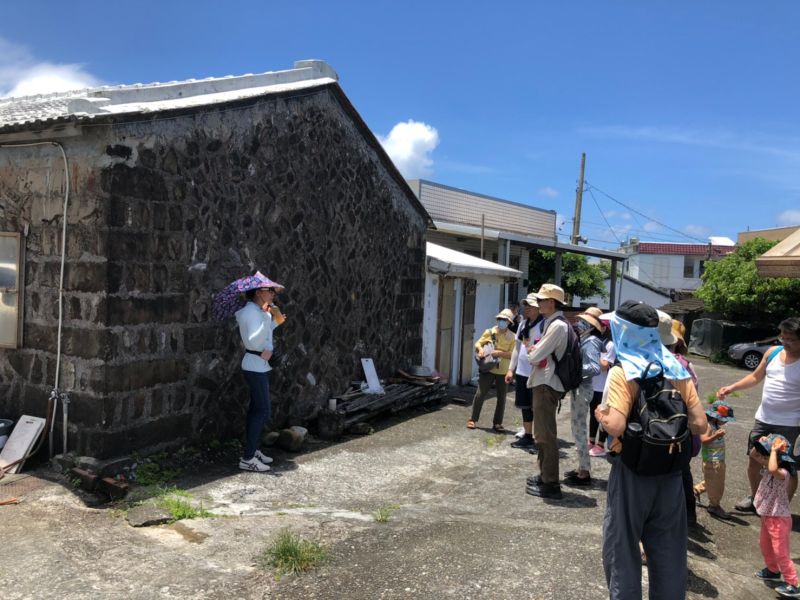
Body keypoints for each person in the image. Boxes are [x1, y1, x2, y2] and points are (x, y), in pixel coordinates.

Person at [594, 300, 709, 600]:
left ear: (624, 331)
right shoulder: (677, 369)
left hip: (633, 470)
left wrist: (602, 416)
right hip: (671, 471)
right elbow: (700, 425)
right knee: (670, 550)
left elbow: (617, 426)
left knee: (622, 548)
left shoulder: (624, 371)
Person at [717, 317, 800, 513]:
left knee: (787, 467)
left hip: (791, 424)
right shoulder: (773, 353)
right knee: (754, 459)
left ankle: (780, 509)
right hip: (763, 419)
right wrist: (732, 387)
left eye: (791, 339)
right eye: (783, 337)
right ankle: (756, 500)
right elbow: (755, 377)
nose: (785, 342)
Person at [234, 272, 286, 472]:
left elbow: (263, 336)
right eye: (270, 290)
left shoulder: (258, 312)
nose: (273, 293)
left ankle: (252, 449)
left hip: (259, 365)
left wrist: (273, 321)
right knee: (263, 411)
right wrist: (267, 319)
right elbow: (253, 341)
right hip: (255, 365)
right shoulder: (251, 313)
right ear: (258, 292)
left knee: (257, 410)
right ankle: (247, 458)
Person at [524, 284, 569, 500]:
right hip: (545, 382)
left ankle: (550, 482)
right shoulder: (554, 323)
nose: (539, 303)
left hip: (546, 383)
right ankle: (544, 475)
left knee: (545, 435)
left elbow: (534, 356)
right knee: (542, 434)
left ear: (551, 302)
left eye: (542, 300)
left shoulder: (557, 326)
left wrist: (534, 350)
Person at [657, 310, 698, 529]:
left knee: (669, 475)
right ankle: (689, 514)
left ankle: (675, 517)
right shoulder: (688, 365)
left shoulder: (666, 364)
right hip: (684, 429)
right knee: (683, 471)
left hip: (663, 428)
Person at [750, 434, 800, 598]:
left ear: (779, 458)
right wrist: (764, 443)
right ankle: (772, 570)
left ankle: (793, 583)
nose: (763, 459)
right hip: (768, 516)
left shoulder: (782, 472)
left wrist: (773, 450)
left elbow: (772, 468)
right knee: (765, 544)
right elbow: (753, 455)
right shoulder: (768, 467)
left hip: (779, 519)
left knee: (781, 552)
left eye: (767, 456)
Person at [563, 307, 604, 486]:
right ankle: (582, 467)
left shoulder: (591, 341)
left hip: (582, 388)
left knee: (579, 428)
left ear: (590, 324)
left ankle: (584, 471)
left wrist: (575, 371)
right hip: (581, 387)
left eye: (583, 321)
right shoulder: (586, 339)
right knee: (577, 428)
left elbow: (594, 368)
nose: (579, 323)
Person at [468, 309, 516, 431]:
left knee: (502, 397)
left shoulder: (513, 337)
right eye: (500, 319)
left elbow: (513, 355)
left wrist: (499, 353)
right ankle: (473, 419)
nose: (502, 322)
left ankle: (497, 423)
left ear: (509, 322)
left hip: (503, 370)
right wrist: (480, 350)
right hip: (488, 368)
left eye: (505, 320)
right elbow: (478, 343)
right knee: (480, 394)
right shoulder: (490, 332)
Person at [506, 293, 543, 451]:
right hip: (522, 372)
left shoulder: (544, 325)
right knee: (525, 406)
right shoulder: (523, 324)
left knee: (538, 407)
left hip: (537, 373)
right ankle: (528, 436)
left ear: (538, 308)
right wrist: (510, 369)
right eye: (525, 305)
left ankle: (539, 439)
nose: (527, 308)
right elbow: (517, 348)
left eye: (530, 305)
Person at [693, 400, 735, 520]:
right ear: (716, 417)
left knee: (714, 481)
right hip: (712, 461)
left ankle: (696, 490)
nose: (726, 421)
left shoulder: (716, 425)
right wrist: (716, 436)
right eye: (725, 419)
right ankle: (714, 506)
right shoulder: (707, 425)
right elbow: (704, 440)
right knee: (717, 485)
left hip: (718, 460)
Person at [589, 323, 615, 458]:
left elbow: (605, 365)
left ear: (605, 328)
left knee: (603, 415)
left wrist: (593, 353)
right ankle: (591, 440)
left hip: (603, 386)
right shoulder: (594, 341)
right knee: (592, 413)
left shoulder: (610, 345)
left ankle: (600, 444)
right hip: (593, 384)